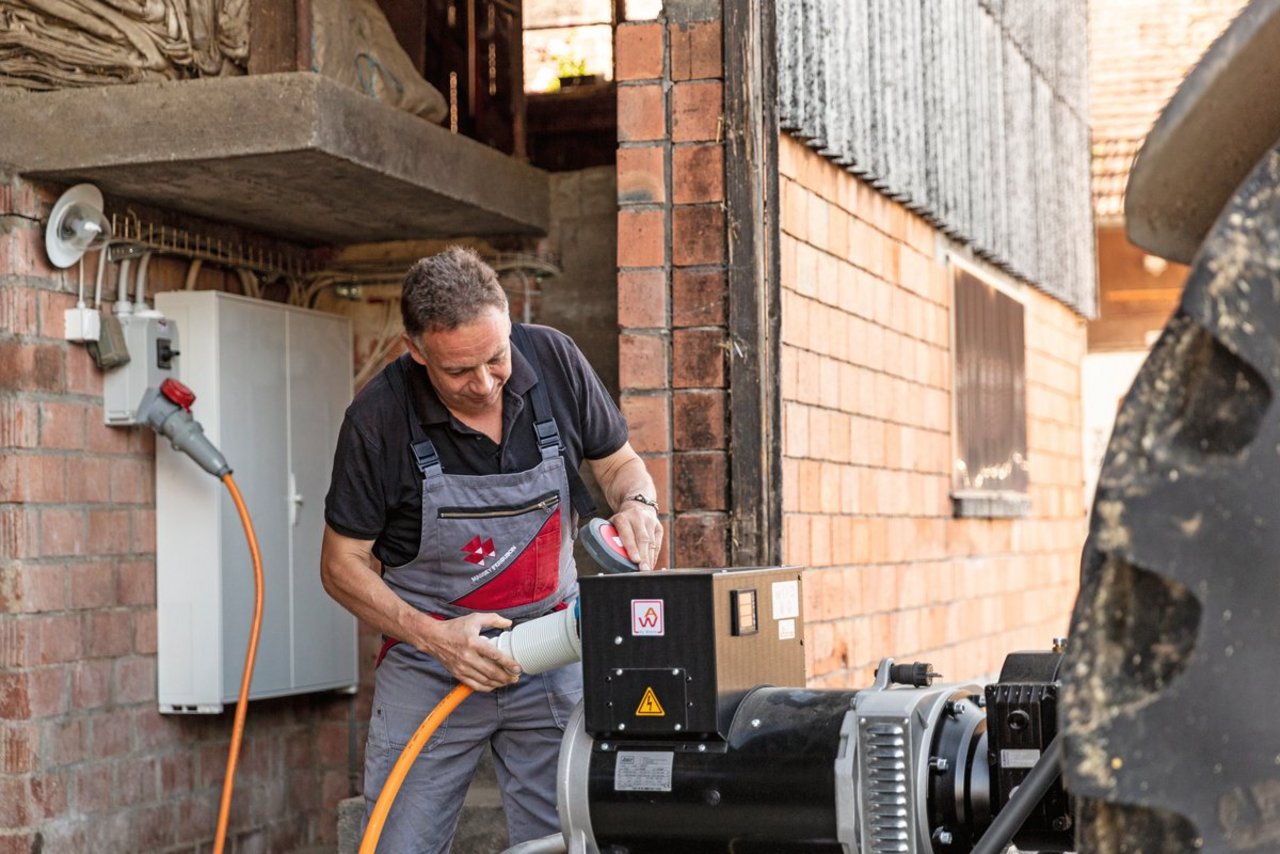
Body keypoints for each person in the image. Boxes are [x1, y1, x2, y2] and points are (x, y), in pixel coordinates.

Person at [321, 246, 663, 853]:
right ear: (416, 351)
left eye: (497, 357)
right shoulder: (377, 418)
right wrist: (435, 639)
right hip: (431, 662)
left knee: (569, 840)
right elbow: (340, 565)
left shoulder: (554, 358)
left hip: (555, 649)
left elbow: (619, 465)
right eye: (458, 372)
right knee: (398, 843)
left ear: (508, 322)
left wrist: (639, 505)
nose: (484, 384)